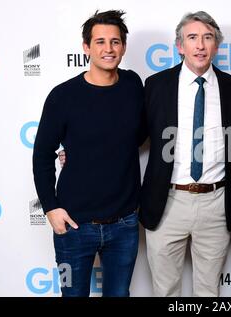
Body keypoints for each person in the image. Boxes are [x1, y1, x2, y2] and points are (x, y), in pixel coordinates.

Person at [32, 10, 144, 297]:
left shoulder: (133, 86)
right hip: (74, 225)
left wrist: (86, 151)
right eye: (100, 42)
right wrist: (50, 208)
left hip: (125, 224)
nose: (109, 49)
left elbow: (140, 134)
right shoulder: (63, 96)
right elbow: (43, 154)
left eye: (115, 42)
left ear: (124, 47)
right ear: (86, 47)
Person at [139, 11, 231, 297]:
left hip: (216, 203)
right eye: (193, 38)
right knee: (165, 290)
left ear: (216, 46)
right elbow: (131, 136)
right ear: (180, 46)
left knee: (209, 291)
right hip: (167, 201)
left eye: (207, 38)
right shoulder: (156, 85)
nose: (200, 45)